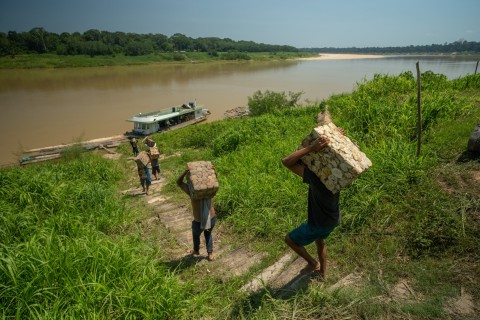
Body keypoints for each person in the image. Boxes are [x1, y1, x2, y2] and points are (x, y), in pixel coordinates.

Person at [281, 135, 341, 280]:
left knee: (290, 240)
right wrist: (337, 137)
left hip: (319, 223)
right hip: (332, 219)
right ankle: (323, 274)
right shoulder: (336, 176)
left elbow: (287, 161)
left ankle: (313, 263)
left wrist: (311, 148)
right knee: (320, 242)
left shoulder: (317, 178)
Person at [176, 168, 217, 261]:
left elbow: (179, 182)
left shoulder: (192, 192)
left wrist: (184, 173)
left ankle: (196, 250)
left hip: (199, 221)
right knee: (208, 234)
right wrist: (212, 172)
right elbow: (214, 180)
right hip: (211, 218)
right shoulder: (209, 190)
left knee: (196, 235)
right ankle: (210, 254)